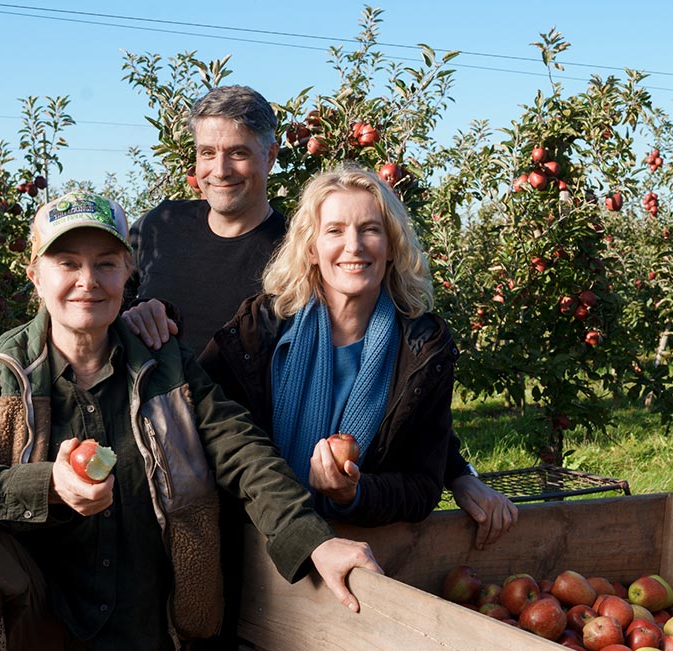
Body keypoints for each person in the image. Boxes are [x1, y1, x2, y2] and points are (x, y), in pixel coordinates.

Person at [0, 191, 382, 651]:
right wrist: (45, 485)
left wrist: (313, 541)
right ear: (35, 274)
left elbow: (244, 452)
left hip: (131, 612)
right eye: (67, 263)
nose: (87, 280)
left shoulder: (168, 368)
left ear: (128, 271)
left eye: (105, 264)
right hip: (26, 597)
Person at [125, 85, 516, 545]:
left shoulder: (295, 266)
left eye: (237, 153)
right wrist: (131, 313)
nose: (220, 169)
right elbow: (106, 305)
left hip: (257, 508)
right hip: (164, 470)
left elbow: (406, 405)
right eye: (206, 152)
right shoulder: (158, 228)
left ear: (270, 157)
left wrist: (458, 473)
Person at [200, 165, 458, 526]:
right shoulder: (259, 329)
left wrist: (356, 493)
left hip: (365, 553)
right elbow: (209, 431)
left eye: (370, 229)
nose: (353, 245)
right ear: (311, 249)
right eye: (335, 230)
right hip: (257, 545)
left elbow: (422, 485)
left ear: (391, 248)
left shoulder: (422, 348)